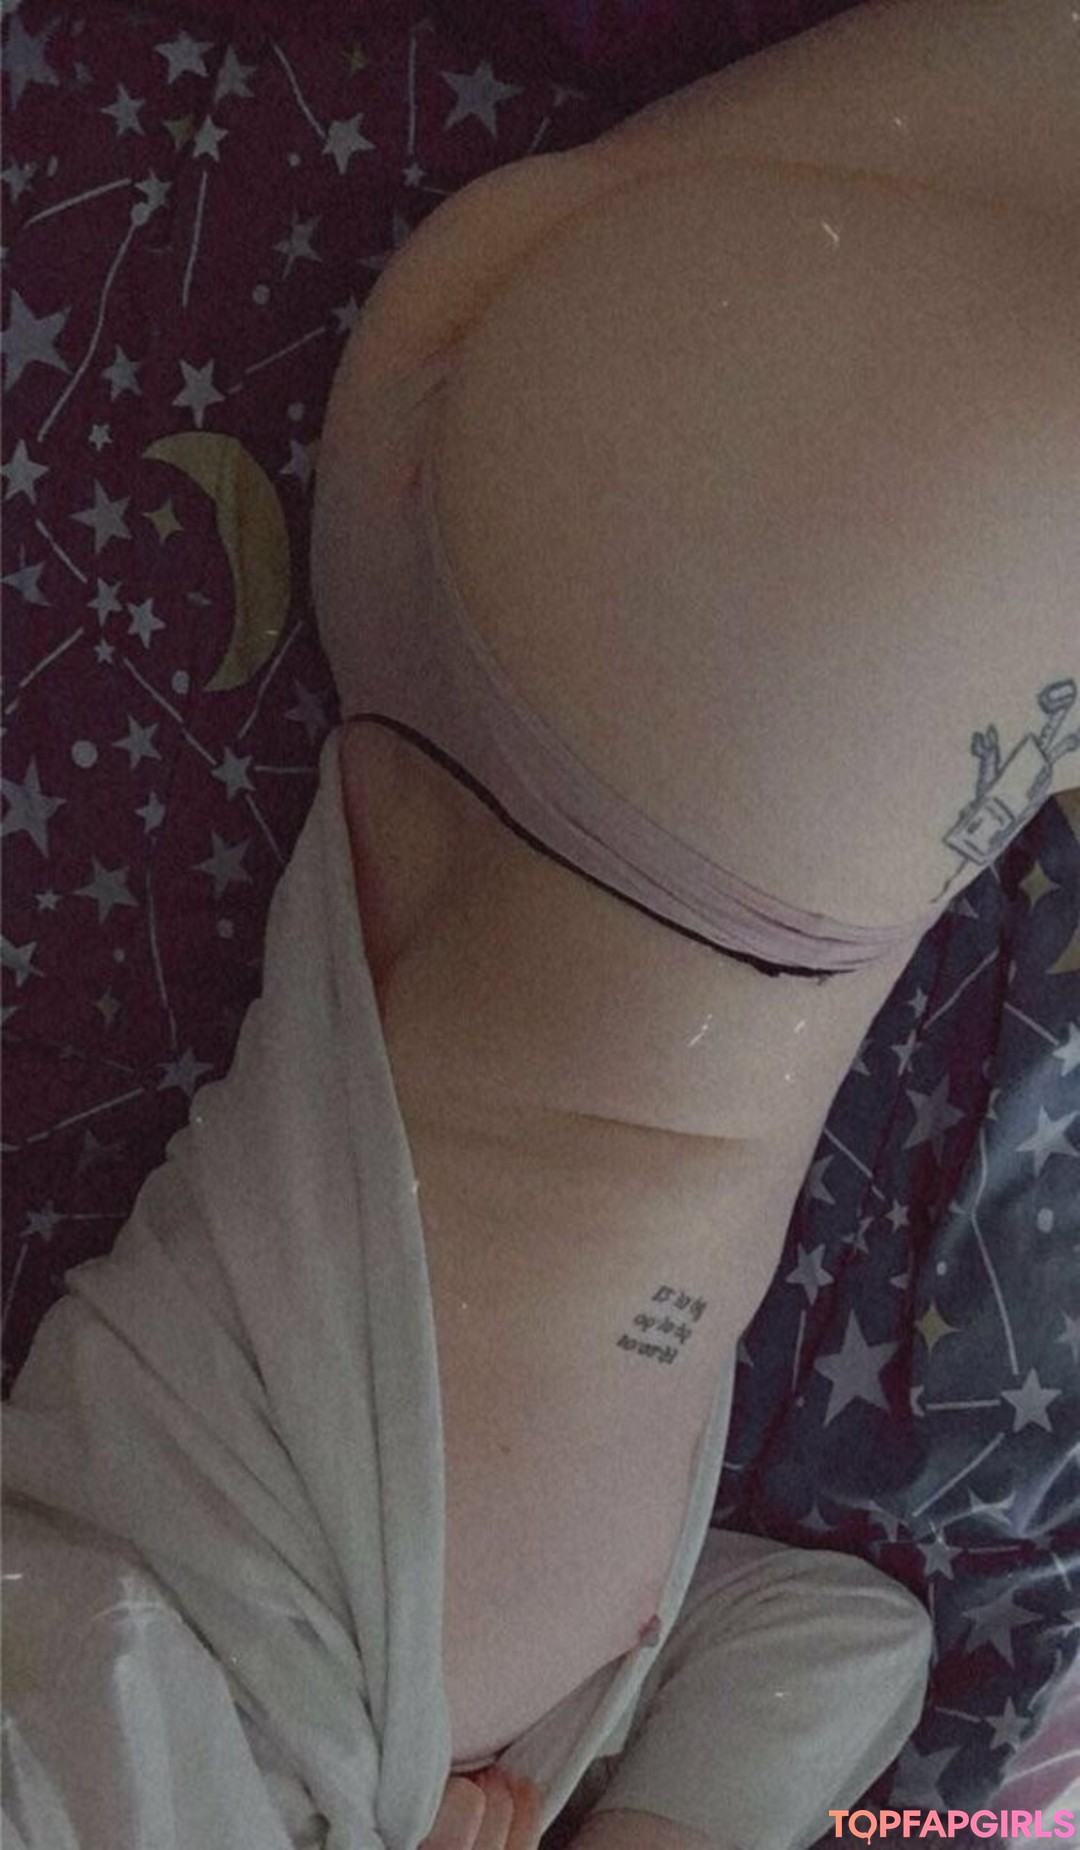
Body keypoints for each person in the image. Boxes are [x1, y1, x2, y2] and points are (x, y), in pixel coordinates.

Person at [309, 0, 1079, 1844]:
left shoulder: (183, 1706)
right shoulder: (532, 1729)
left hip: (689, 784)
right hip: (537, 637)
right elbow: (847, 1638)